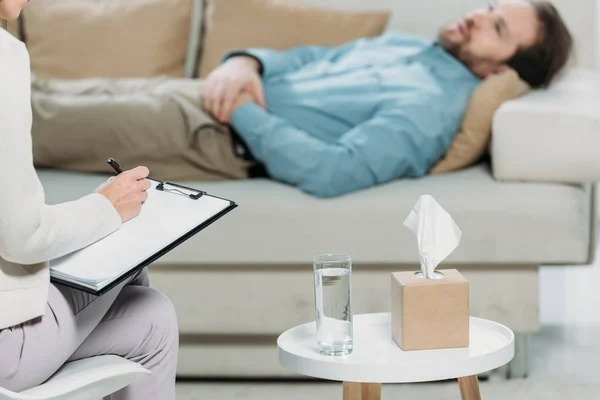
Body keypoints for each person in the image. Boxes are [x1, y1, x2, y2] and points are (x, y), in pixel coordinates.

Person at [30, 0, 572, 198]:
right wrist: (248, 63)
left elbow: (334, 172)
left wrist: (239, 105)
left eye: (497, 27)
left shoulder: (431, 110)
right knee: (35, 90)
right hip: (200, 93)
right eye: (490, 7)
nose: (477, 15)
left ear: (501, 67)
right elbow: (308, 56)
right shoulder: (408, 47)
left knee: (35, 119)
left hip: (213, 132)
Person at [0, 1, 179, 399]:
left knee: (152, 314)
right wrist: (107, 208)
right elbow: (21, 237)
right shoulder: (2, 55)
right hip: (5, 349)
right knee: (126, 249)